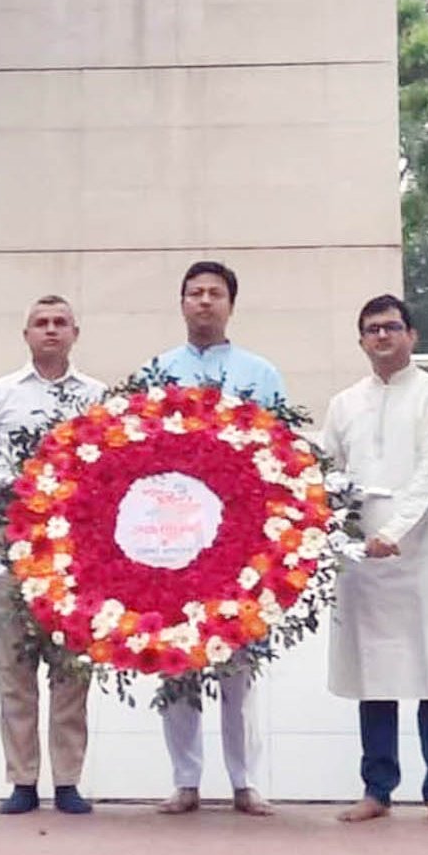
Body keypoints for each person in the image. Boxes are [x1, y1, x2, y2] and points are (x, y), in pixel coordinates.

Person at [321, 295, 428, 826]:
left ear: (412, 335)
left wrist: (394, 531)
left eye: (392, 327)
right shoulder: (345, 403)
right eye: (372, 329)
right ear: (361, 341)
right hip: (365, 559)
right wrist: (335, 530)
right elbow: (328, 471)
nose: (382, 337)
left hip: (426, 555)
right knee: (374, 673)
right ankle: (377, 788)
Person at [151, 260, 284, 815]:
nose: (204, 302)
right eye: (195, 293)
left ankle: (245, 781)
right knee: (178, 659)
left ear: (231, 304)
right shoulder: (157, 371)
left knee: (238, 665)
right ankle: (185, 780)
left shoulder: (260, 374)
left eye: (215, 293)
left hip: (238, 537)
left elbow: (281, 452)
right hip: (172, 535)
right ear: (181, 304)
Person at [0, 296, 102, 816]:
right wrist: (27, 490)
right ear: (25, 334)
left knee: (72, 666)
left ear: (75, 332)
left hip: (77, 550)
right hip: (15, 541)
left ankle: (68, 779)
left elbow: (109, 464)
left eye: (60, 323)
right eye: (41, 324)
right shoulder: (0, 393)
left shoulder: (96, 395)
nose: (51, 331)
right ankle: (22, 779)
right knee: (16, 664)